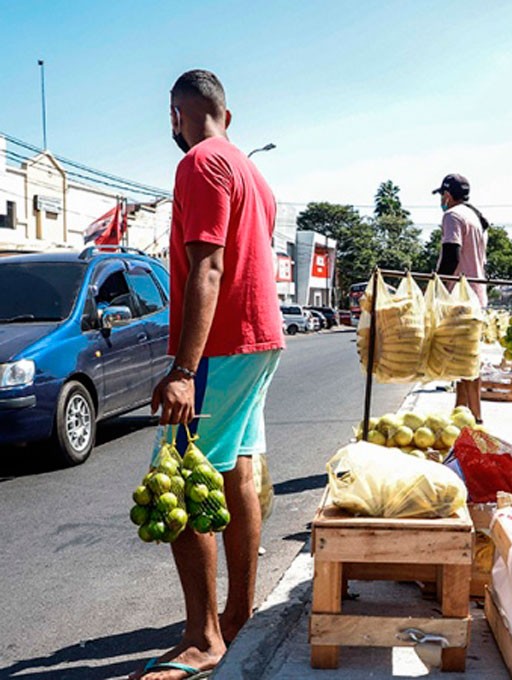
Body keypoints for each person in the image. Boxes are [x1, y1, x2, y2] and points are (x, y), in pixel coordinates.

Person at [132, 69, 285, 680]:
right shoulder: (253, 172)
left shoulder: (198, 164)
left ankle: (204, 638)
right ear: (229, 114)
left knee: (180, 478)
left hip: (219, 348)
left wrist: (182, 369)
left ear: (177, 115)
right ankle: (240, 616)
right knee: (236, 475)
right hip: (260, 340)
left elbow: (209, 268)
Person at [433, 173, 489, 423]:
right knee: (465, 364)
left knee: (467, 365)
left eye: (442, 196)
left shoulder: (452, 216)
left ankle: (476, 420)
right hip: (476, 298)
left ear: (447, 195)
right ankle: (461, 415)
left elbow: (451, 258)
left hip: (460, 300)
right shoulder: (475, 218)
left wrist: (435, 289)